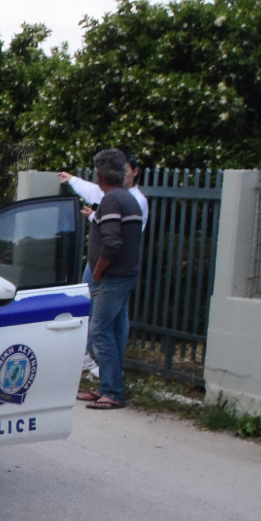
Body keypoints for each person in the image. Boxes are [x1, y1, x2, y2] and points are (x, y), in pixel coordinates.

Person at [59, 152, 150, 377]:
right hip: (113, 266)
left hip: (109, 266)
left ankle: (104, 371)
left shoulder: (124, 200)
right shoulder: (121, 198)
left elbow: (116, 240)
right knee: (110, 317)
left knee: (101, 323)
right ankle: (109, 374)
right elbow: (92, 191)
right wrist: (71, 180)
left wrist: (99, 270)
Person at [78, 148, 142, 410]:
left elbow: (112, 243)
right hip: (124, 276)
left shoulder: (112, 201)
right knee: (113, 332)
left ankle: (112, 392)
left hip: (111, 277)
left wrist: (98, 270)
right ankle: (109, 387)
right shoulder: (129, 198)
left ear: (100, 174)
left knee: (100, 331)